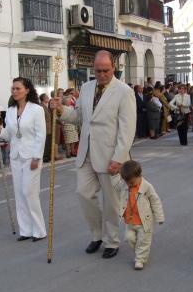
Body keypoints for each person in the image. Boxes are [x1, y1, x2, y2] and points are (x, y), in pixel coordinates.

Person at [51, 50, 136, 259]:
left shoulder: (124, 92)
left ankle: (112, 240)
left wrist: (119, 157)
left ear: (113, 68)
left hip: (110, 155)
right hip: (86, 152)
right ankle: (97, 235)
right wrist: (61, 109)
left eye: (106, 70)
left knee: (111, 202)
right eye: (98, 71)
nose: (101, 74)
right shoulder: (87, 88)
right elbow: (79, 117)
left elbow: (127, 128)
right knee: (83, 193)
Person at [0, 77, 47, 242]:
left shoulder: (36, 109)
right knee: (19, 193)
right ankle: (26, 230)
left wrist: (37, 157)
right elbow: (8, 135)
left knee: (29, 192)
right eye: (13, 89)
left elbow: (41, 135)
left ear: (27, 90)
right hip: (15, 156)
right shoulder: (10, 111)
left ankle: (39, 230)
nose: (15, 91)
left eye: (18, 88)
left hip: (31, 156)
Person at [114, 160, 164, 270]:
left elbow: (155, 201)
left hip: (144, 221)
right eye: (127, 182)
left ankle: (140, 259)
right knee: (129, 238)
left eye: (131, 183)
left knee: (143, 240)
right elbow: (116, 187)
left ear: (139, 175)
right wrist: (118, 175)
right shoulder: (124, 184)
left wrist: (159, 216)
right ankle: (140, 251)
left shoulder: (147, 186)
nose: (129, 185)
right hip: (130, 221)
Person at [61, 92, 79, 157]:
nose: (69, 102)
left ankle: (73, 151)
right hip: (67, 125)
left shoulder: (72, 107)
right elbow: (61, 117)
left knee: (74, 140)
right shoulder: (63, 107)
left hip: (73, 126)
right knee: (68, 140)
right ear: (64, 102)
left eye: (69, 101)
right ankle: (68, 152)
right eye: (68, 101)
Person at [39, 93, 53, 162]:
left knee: (48, 142)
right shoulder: (41, 106)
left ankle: (47, 155)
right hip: (45, 127)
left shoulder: (46, 106)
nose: (48, 98)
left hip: (49, 127)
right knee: (45, 142)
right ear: (43, 99)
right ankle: (45, 156)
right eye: (46, 97)